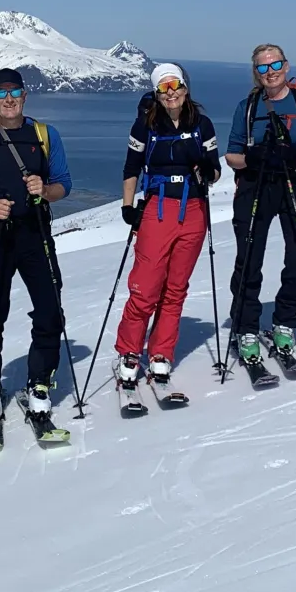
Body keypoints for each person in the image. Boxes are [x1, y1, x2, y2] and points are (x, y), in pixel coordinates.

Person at [0, 67, 74, 446]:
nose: (9, 99)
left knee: (50, 309)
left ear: (25, 96)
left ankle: (40, 384)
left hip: (35, 233)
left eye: (15, 93)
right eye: (1, 94)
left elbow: (64, 185)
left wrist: (46, 191)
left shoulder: (44, 135)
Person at [115, 63, 222, 389]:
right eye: (164, 88)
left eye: (175, 85)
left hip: (193, 211)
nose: (171, 91)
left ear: (185, 88)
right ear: (158, 94)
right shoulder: (144, 126)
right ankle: (129, 351)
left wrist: (207, 168)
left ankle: (161, 353)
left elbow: (215, 171)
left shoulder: (202, 124)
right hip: (158, 209)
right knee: (145, 288)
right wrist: (127, 206)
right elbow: (132, 167)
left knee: (175, 288)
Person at [224, 44, 296, 368]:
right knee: (249, 260)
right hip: (256, 184)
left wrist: (294, 155)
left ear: (286, 64)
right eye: (264, 67)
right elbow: (231, 155)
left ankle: (285, 322)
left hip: (294, 182)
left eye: (276, 64)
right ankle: (246, 328)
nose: (271, 72)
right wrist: (251, 158)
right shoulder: (248, 106)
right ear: (256, 71)